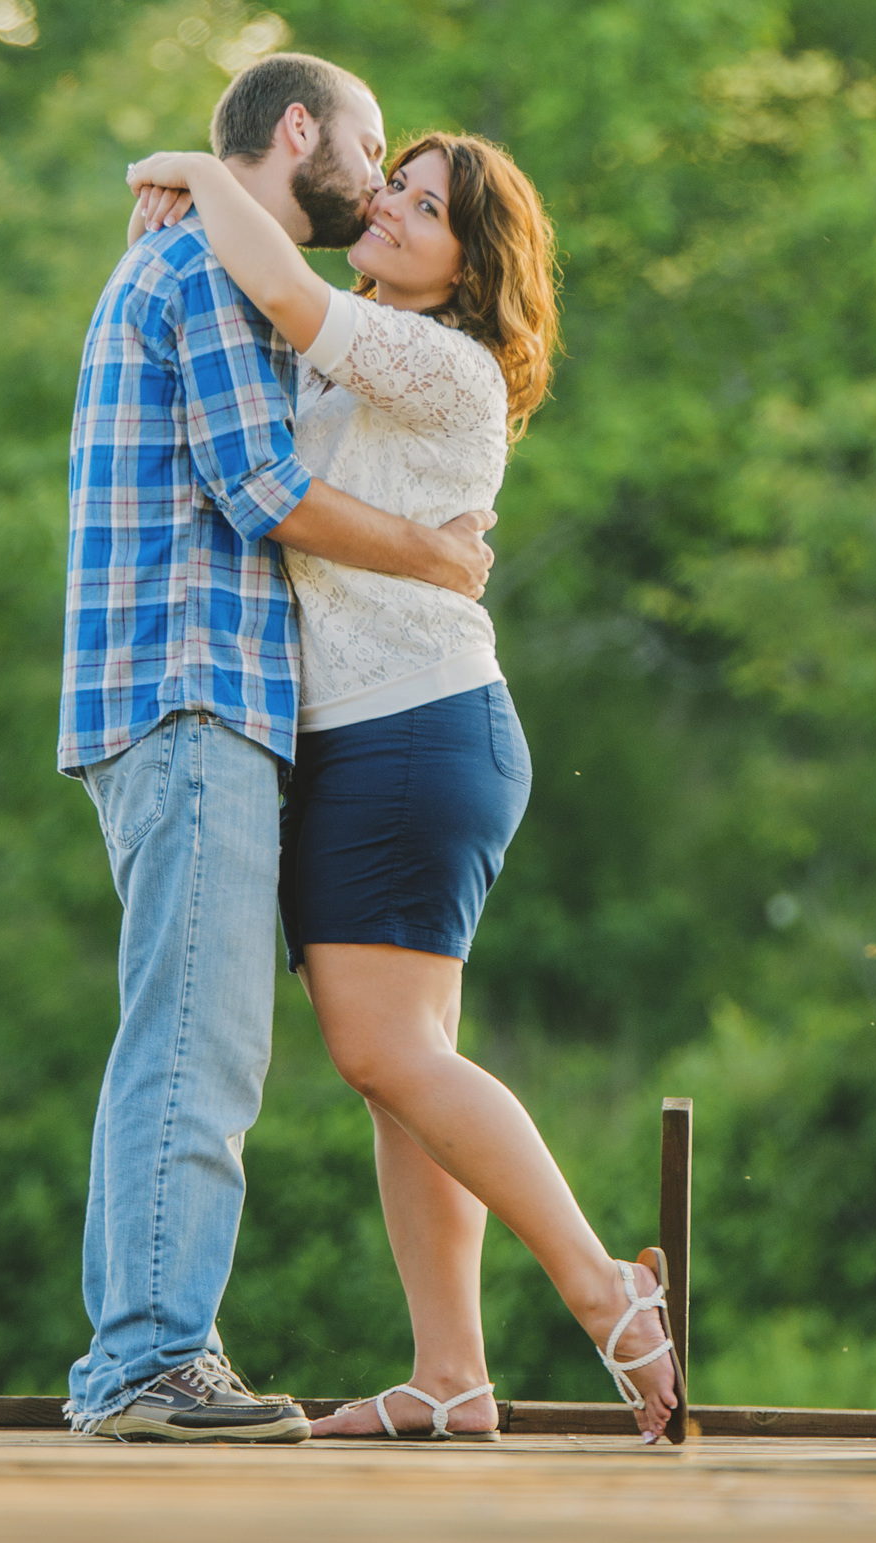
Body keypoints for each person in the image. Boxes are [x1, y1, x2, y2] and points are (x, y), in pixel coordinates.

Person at [122, 127, 681, 1444]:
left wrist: (203, 172)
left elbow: (283, 294)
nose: (389, 207)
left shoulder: (444, 362)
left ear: (469, 266)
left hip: (414, 730)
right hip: (381, 734)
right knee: (403, 1069)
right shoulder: (378, 350)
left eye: (425, 207)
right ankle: (451, 1377)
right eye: (396, 185)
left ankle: (612, 1296)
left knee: (386, 1051)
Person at [60, 50, 497, 1440]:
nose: (370, 184)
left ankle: (151, 1343)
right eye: (368, 152)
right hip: (194, 692)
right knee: (197, 1037)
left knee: (193, 1032)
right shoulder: (202, 272)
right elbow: (267, 491)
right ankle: (147, 1357)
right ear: (299, 129)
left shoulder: (209, 263)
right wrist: (434, 555)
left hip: (191, 696)